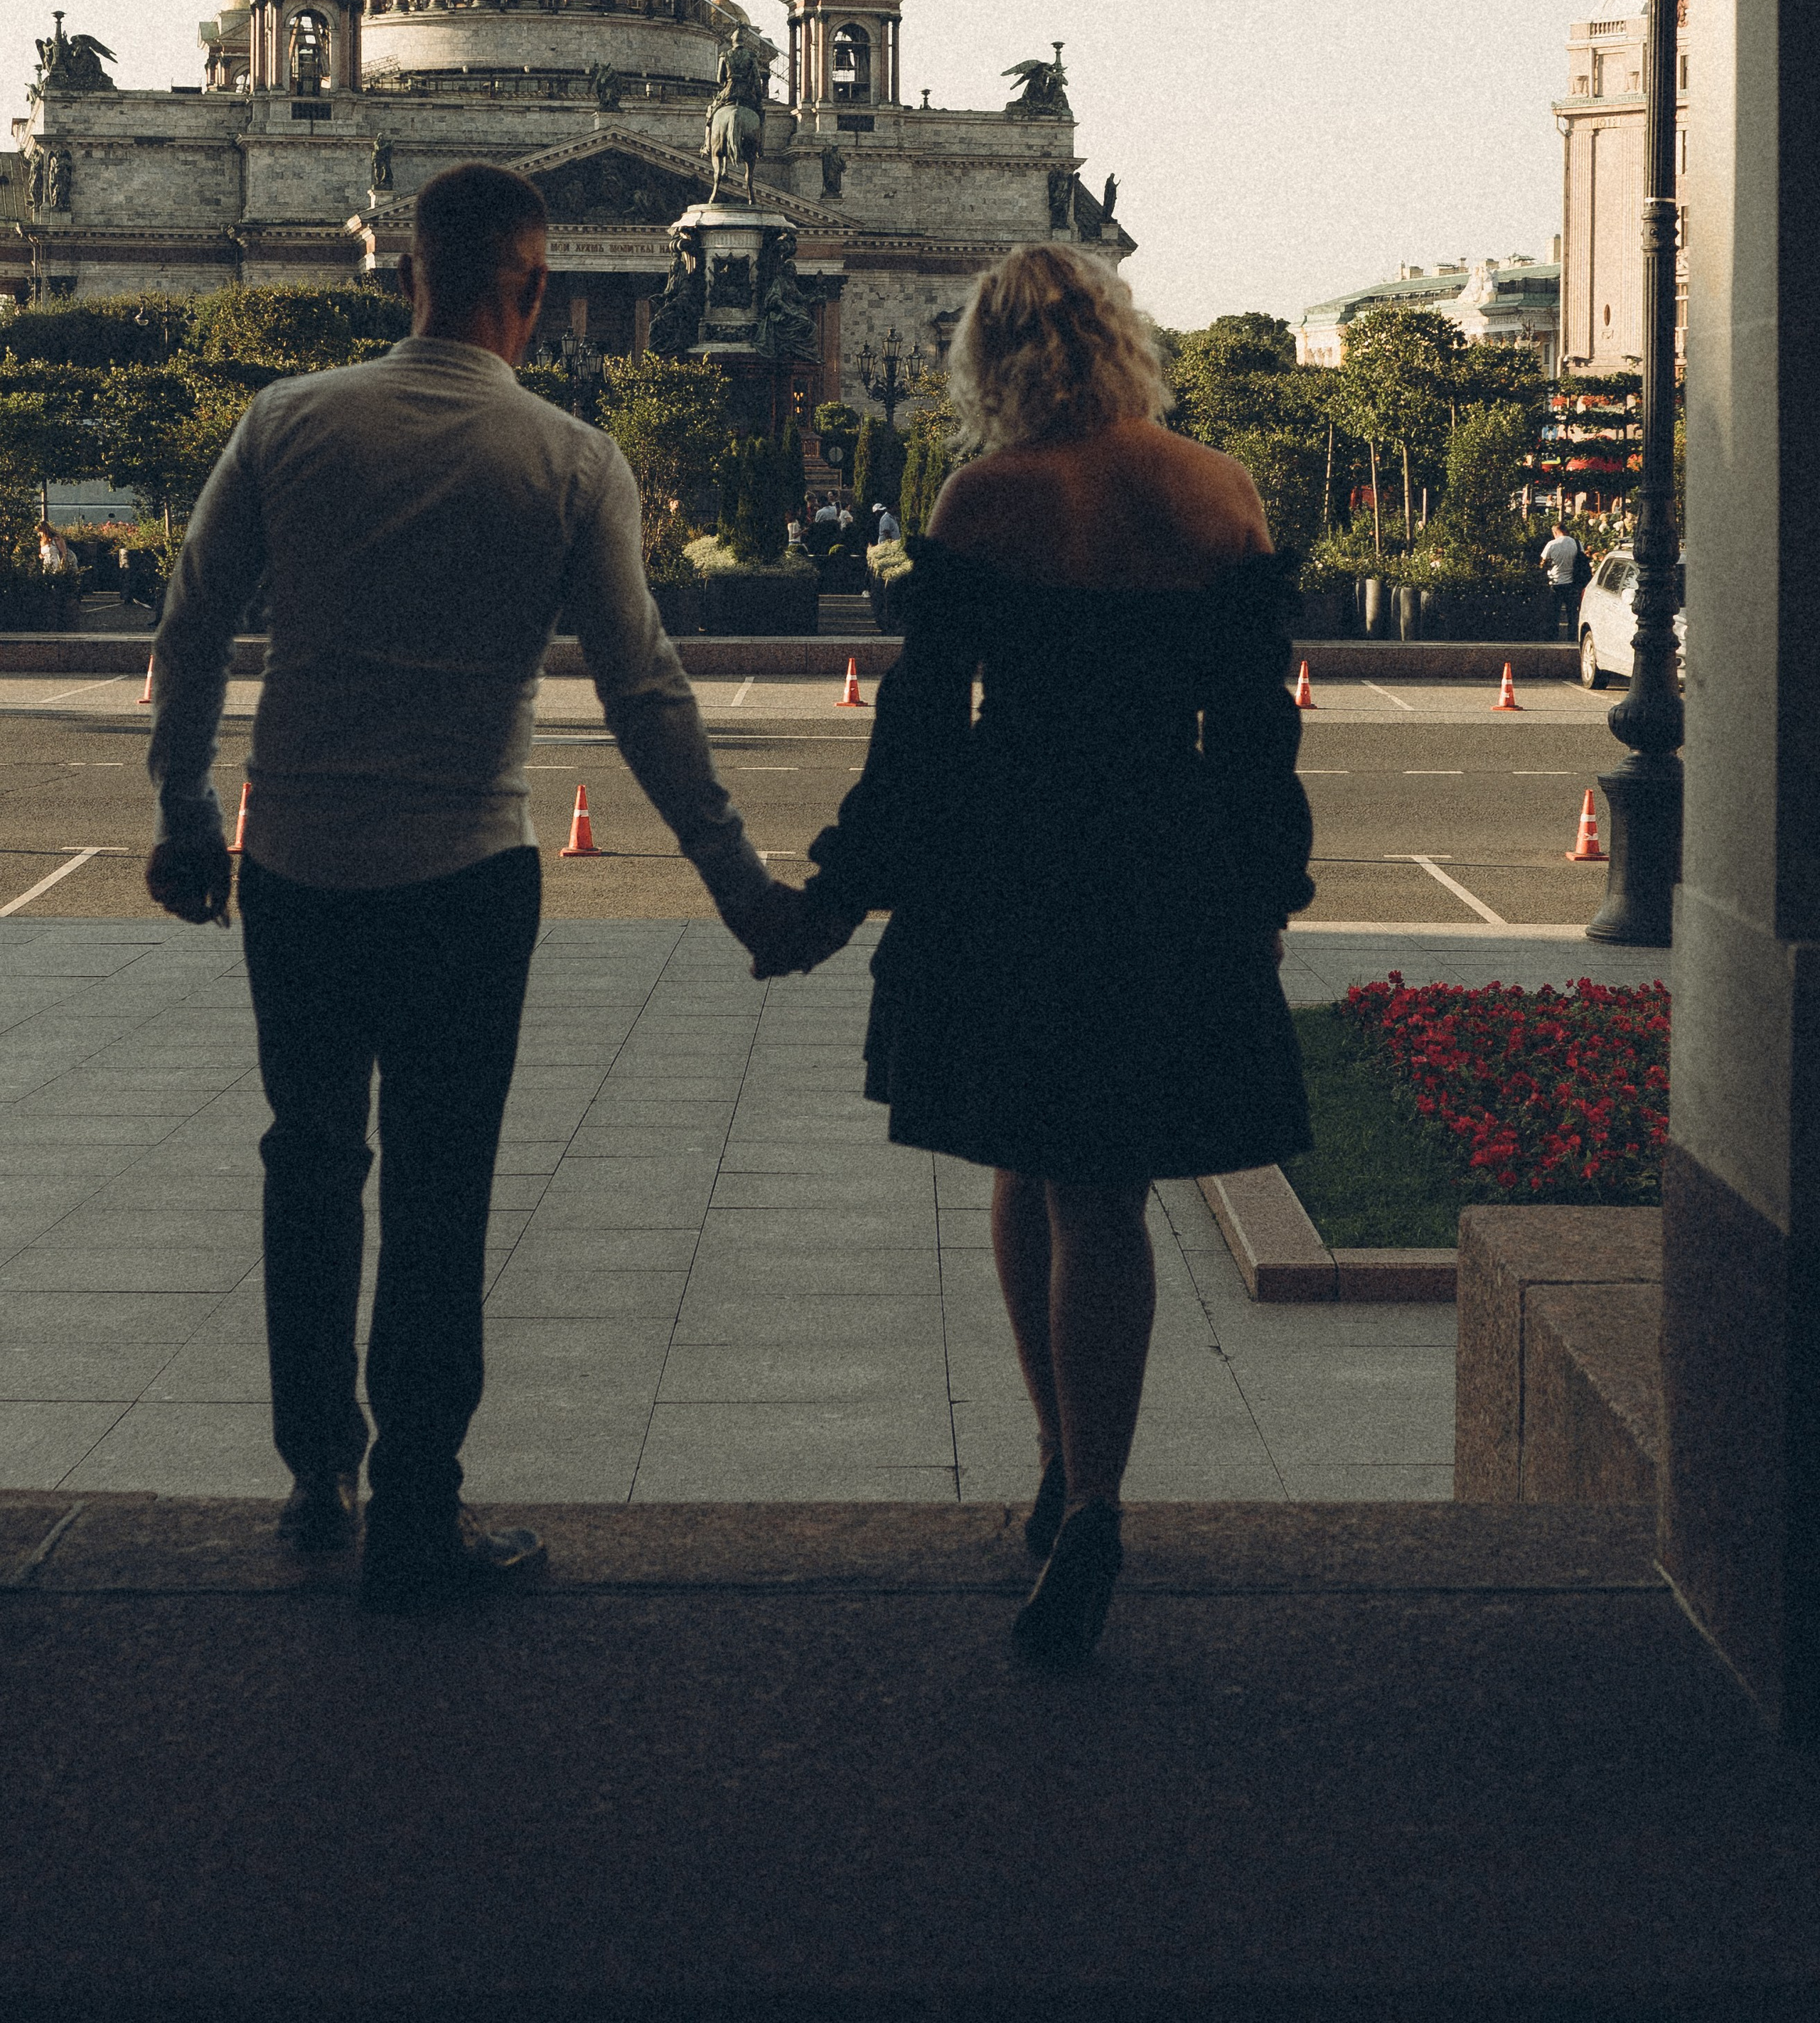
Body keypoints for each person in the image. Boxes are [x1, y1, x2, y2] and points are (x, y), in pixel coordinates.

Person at [144, 161, 792, 1616]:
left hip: (297, 862)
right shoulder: (569, 459)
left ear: (405, 275)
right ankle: (417, 1515)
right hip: (465, 878)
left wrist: (189, 814)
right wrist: (739, 885)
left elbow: (188, 638)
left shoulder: (284, 421)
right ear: (537, 289)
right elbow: (646, 695)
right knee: (439, 1197)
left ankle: (318, 1472)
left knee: (307, 1163)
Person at [752, 243, 1315, 1668]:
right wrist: (1262, 890)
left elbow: (924, 729)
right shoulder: (1217, 492)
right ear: (1121, 337)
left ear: (990, 359)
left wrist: (837, 890)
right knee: (1091, 1179)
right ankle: (1076, 1479)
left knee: (1037, 1165)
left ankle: (1083, 1488)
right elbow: (1258, 734)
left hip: (1014, 865)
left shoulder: (990, 498)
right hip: (1166, 856)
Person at [1540, 521, 1588, 638]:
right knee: (1572, 613)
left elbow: (1543, 563)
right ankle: (1572, 636)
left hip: (1555, 582)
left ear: (1555, 532)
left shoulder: (1552, 544)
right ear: (1566, 531)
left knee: (1554, 612)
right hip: (1572, 583)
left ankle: (1553, 636)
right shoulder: (1577, 544)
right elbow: (1582, 560)